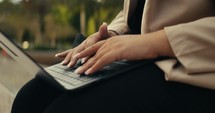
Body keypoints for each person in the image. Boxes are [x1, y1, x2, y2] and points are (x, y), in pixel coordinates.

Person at [11, 0, 215, 113]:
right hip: (145, 58)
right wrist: (112, 34)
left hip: (195, 70)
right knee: (29, 100)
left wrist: (152, 42)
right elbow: (141, 11)